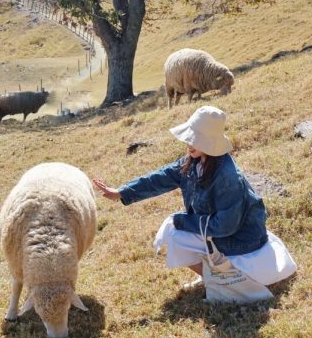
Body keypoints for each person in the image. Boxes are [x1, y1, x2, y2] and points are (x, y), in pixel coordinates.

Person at [93, 105, 297, 292]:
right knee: (172, 232)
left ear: (209, 142)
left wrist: (183, 221)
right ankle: (212, 278)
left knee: (175, 229)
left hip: (240, 241)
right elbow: (161, 177)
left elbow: (225, 226)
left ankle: (222, 281)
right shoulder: (194, 161)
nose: (189, 143)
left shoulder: (228, 178)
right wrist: (122, 192)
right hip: (219, 235)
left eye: (195, 139)